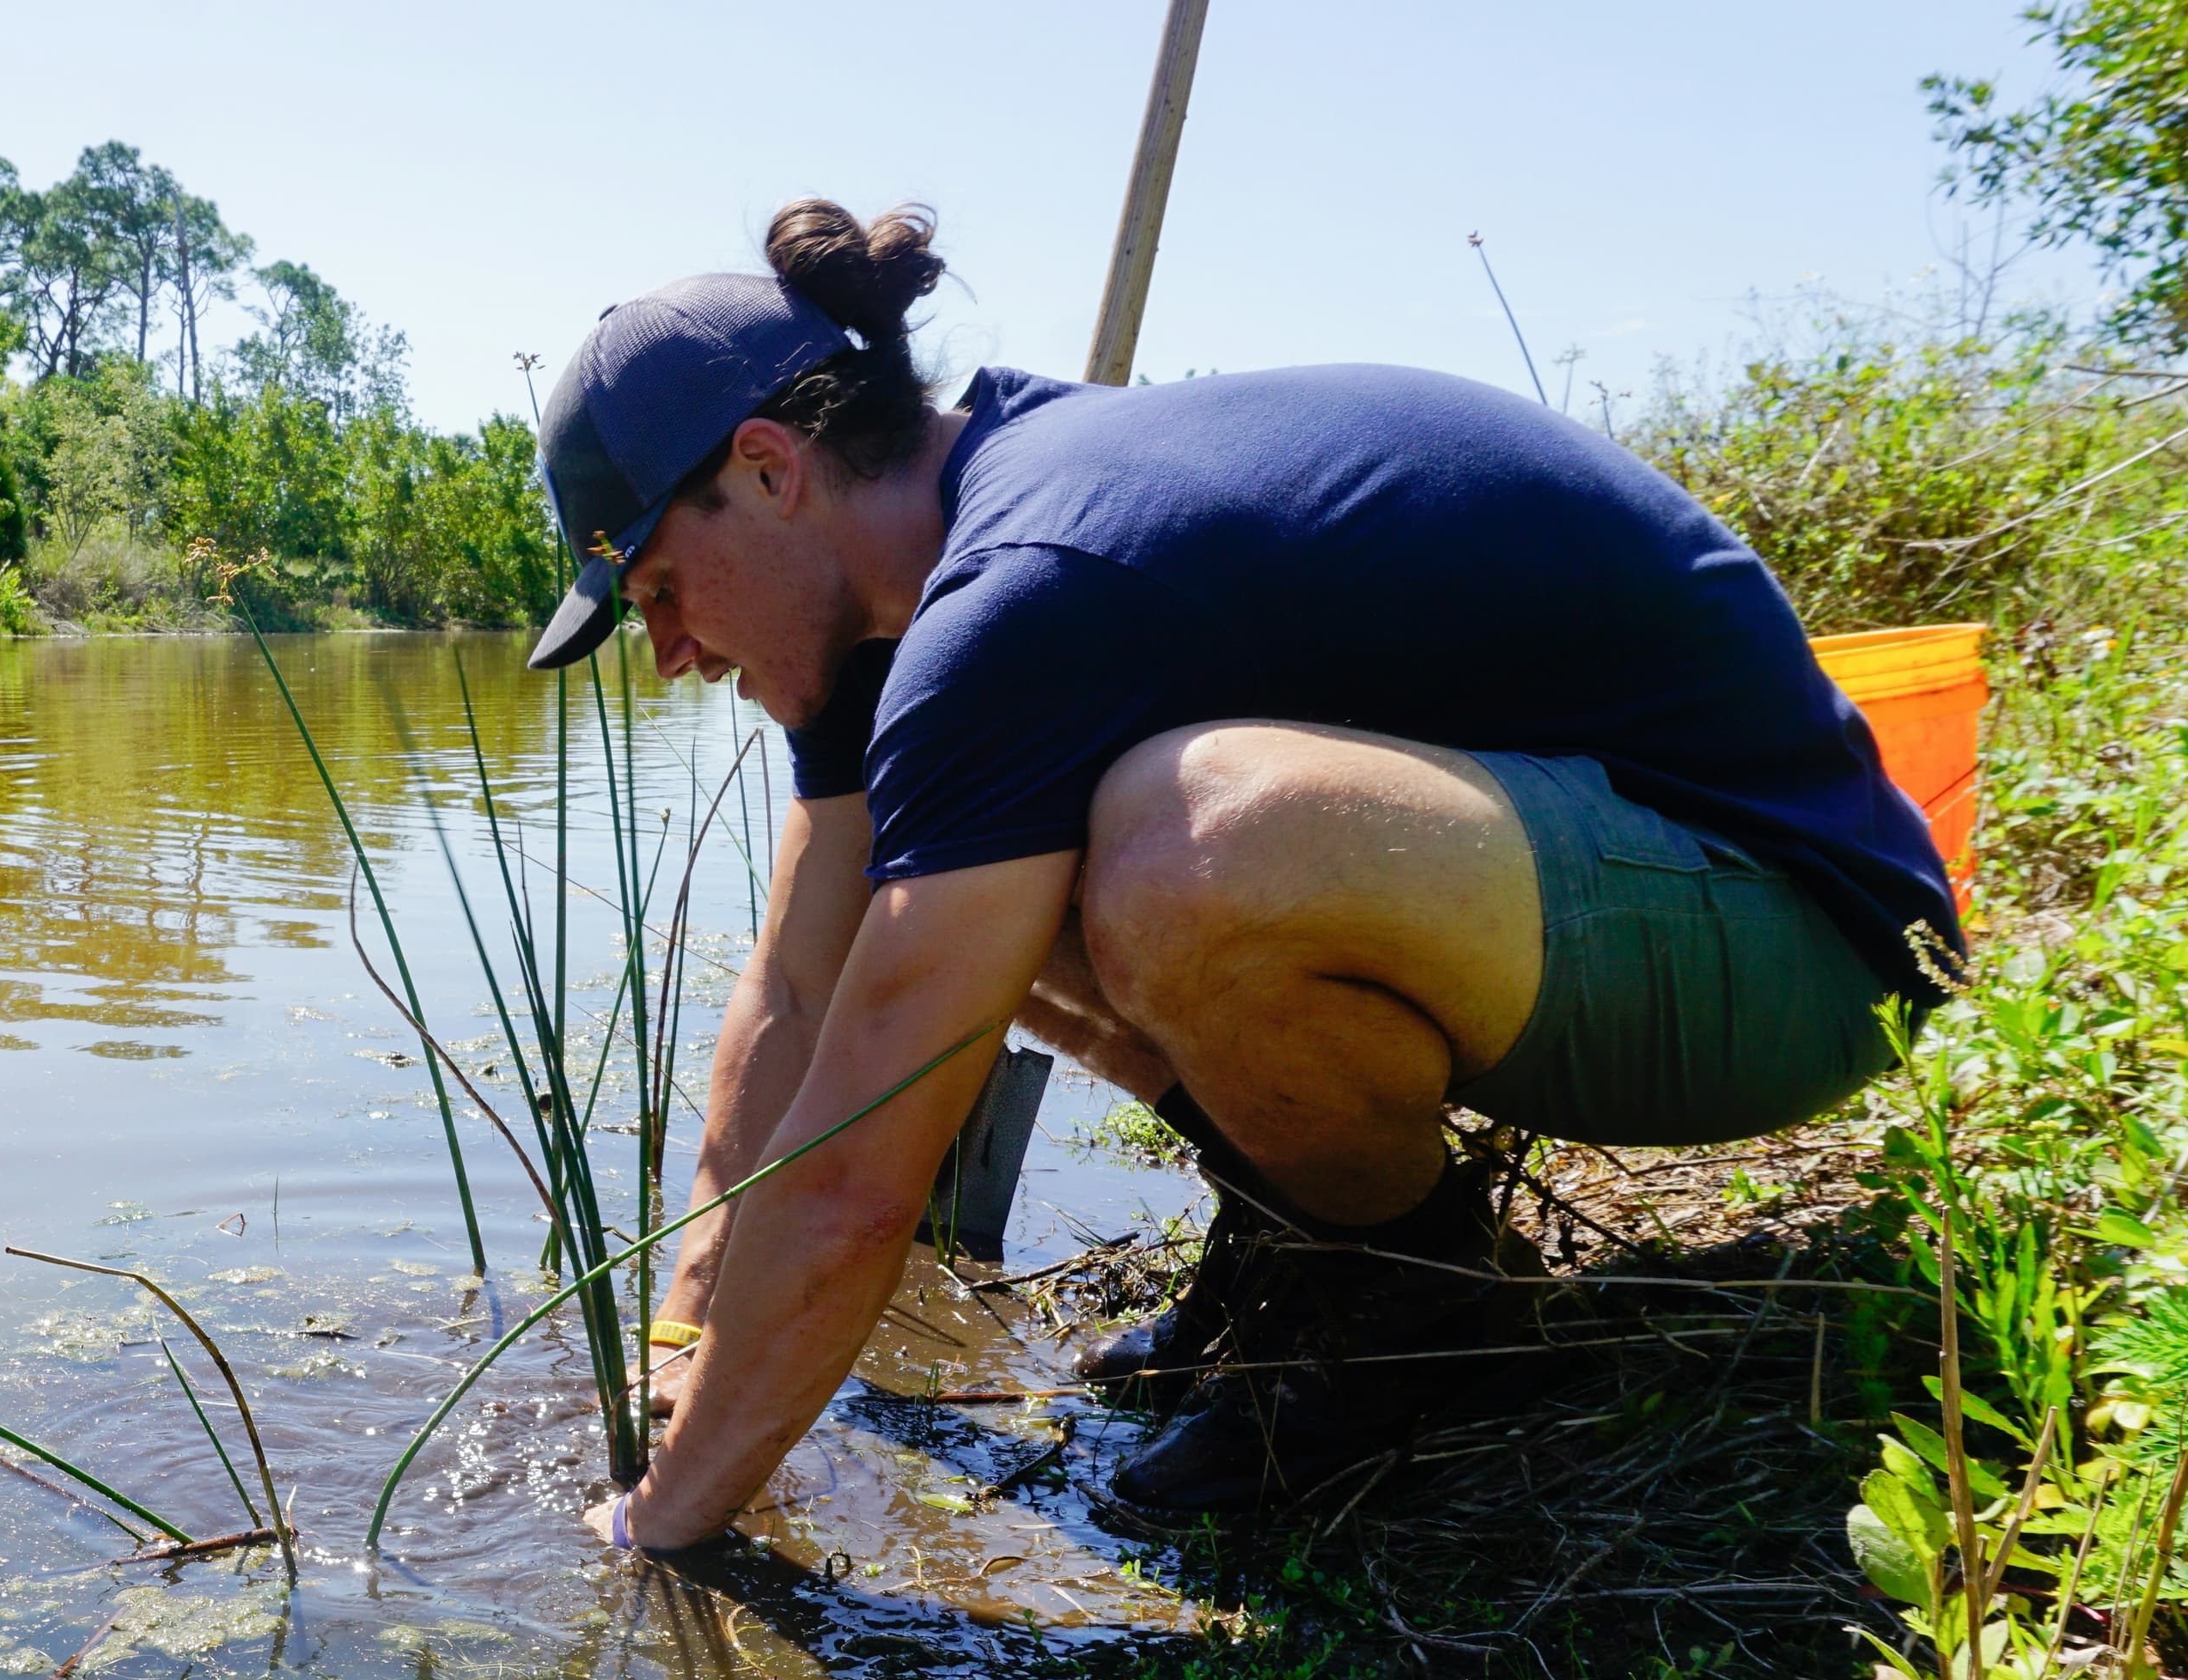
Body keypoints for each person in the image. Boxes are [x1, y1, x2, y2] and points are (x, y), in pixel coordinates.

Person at [532, 200, 1960, 1549]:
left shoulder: (1022, 580)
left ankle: (1411, 1299)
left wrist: (664, 1515)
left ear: (771, 468)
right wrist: (688, 1322)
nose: (671, 653)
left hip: (1800, 939)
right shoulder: (891, 611)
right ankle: (1322, 1231)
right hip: (1568, 891)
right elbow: (800, 980)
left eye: (658, 589)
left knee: (1176, 841)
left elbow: (853, 1181)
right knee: (971, 906)